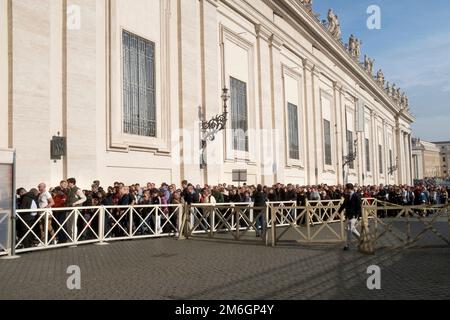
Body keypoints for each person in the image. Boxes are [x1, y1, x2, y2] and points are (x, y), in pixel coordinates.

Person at [338, 183, 362, 251]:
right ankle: (361, 239)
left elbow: (359, 206)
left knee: (349, 230)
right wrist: (339, 211)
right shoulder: (347, 196)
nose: (345, 190)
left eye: (346, 188)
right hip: (348, 214)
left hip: (354, 215)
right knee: (350, 229)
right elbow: (344, 204)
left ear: (349, 188)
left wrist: (357, 215)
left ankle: (347, 245)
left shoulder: (356, 196)